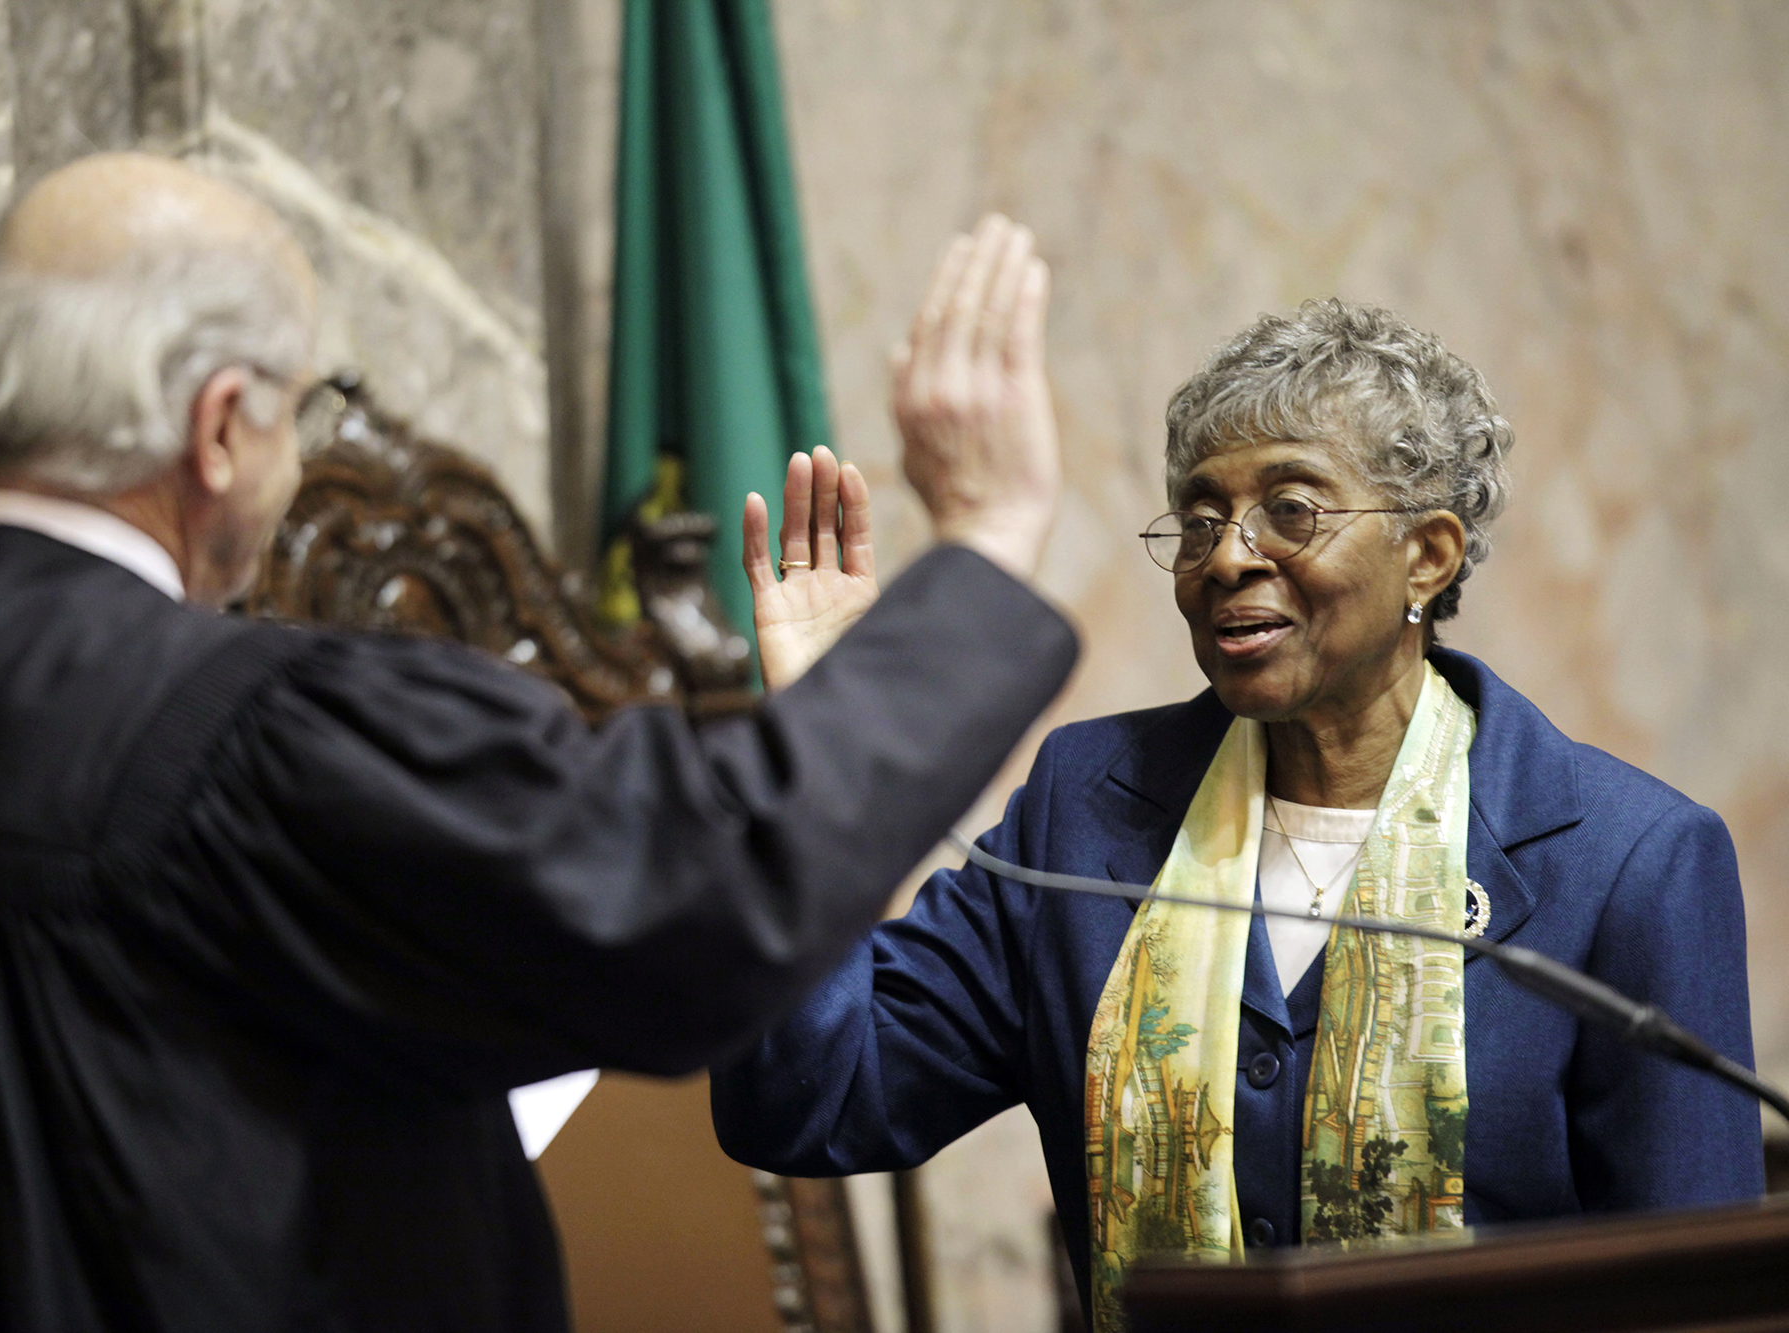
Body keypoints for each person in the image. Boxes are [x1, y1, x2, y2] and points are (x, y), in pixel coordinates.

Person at [0, 155, 1078, 1333]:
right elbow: (699, 894)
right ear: (223, 424)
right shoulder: (262, 726)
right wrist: (982, 539)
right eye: (291, 415)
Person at [714, 296, 1764, 1328]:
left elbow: (1695, 1299)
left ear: (1428, 554)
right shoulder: (1085, 811)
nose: (1225, 556)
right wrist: (819, 750)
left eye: (1290, 511)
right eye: (1200, 518)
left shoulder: (1626, 860)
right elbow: (814, 1105)